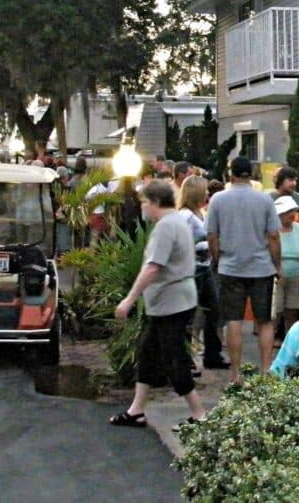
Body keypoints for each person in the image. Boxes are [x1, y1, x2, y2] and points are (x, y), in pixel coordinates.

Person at [110, 180, 204, 428]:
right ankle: (137, 409)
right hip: (172, 300)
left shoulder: (166, 227)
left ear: (154, 203)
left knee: (174, 358)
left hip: (171, 302)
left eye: (144, 203)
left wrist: (130, 299)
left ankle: (199, 414)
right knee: (148, 353)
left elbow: (153, 267)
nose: (143, 208)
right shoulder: (178, 222)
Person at [205, 156, 281, 384]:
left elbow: (212, 235)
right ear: (252, 174)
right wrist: (276, 264)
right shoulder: (265, 200)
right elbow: (274, 235)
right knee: (264, 320)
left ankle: (235, 374)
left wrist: (218, 259)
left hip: (230, 266)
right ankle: (266, 369)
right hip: (261, 267)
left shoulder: (218, 199)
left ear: (231, 174)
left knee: (233, 320)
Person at [177, 175, 230, 371]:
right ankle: (185, 358)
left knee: (213, 310)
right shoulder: (186, 216)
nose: (208, 193)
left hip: (204, 268)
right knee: (189, 315)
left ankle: (211, 354)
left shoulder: (200, 214)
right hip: (193, 270)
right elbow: (182, 242)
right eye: (205, 190)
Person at [274, 195, 299, 334]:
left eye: (293, 212)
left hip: (296, 275)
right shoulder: (273, 229)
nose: (292, 215)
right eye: (289, 212)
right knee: (276, 311)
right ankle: (273, 339)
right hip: (277, 276)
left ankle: (290, 338)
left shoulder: (297, 228)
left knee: (292, 310)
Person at [269, 166, 299, 236]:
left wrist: (293, 231)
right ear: (280, 180)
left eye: (295, 180)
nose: (294, 183)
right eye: (290, 180)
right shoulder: (267, 198)